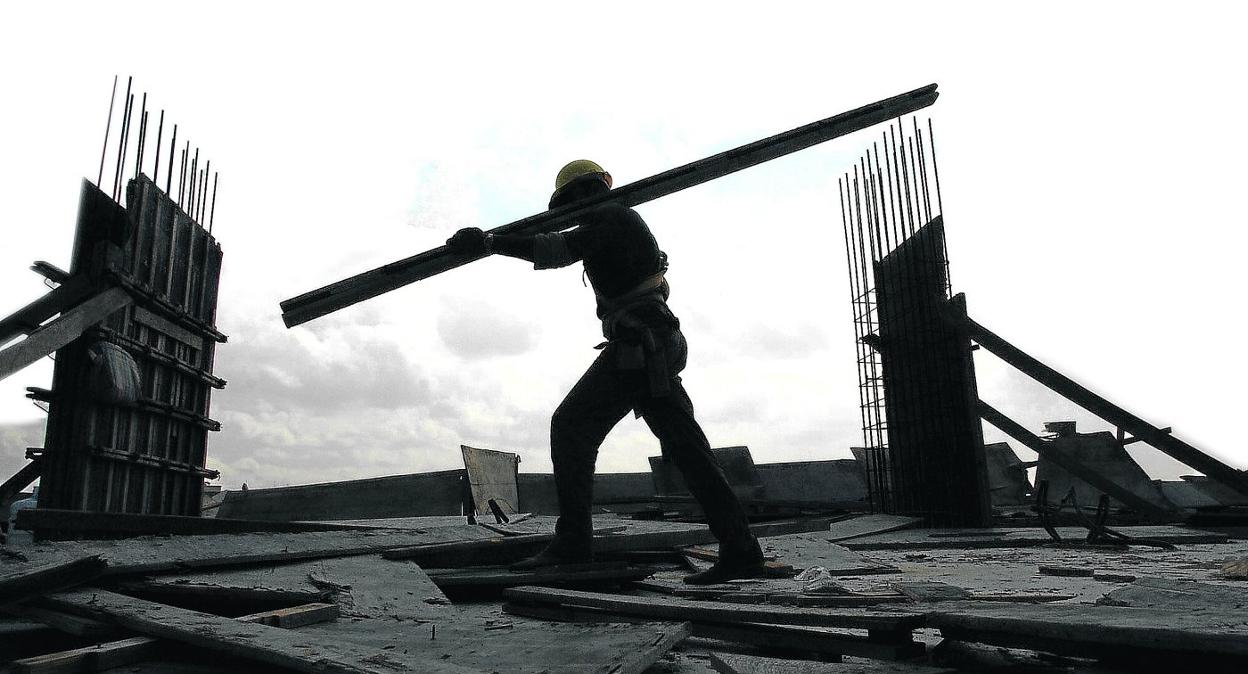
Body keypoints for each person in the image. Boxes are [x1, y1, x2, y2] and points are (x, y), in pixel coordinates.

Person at [446, 160, 765, 584]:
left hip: (641, 341)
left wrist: (490, 242)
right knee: (689, 450)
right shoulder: (619, 222)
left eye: (571, 203)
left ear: (583, 195)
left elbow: (555, 249)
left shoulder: (613, 217)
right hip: (654, 340)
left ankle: (574, 543)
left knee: (571, 425)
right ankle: (741, 550)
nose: (573, 211)